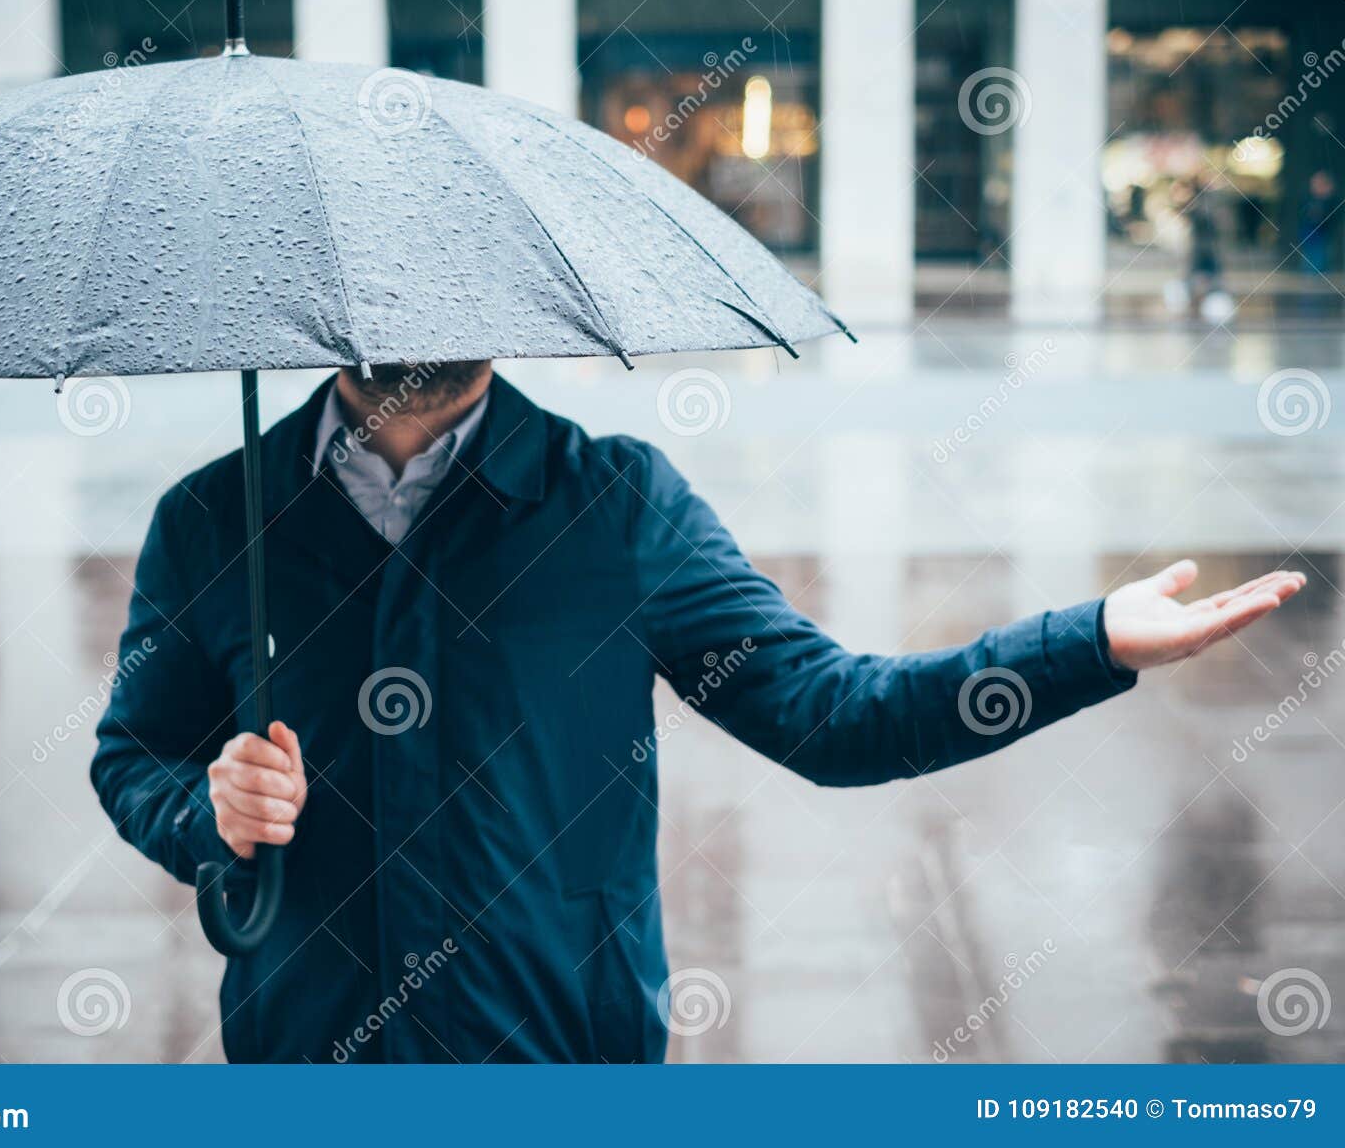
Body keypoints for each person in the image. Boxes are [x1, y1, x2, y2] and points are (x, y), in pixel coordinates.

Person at [90, 362, 1305, 1063]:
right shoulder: (215, 519)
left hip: (560, 1056)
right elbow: (133, 751)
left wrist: (1084, 641)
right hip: (310, 1055)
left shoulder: (612, 505)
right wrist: (202, 806)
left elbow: (834, 716)